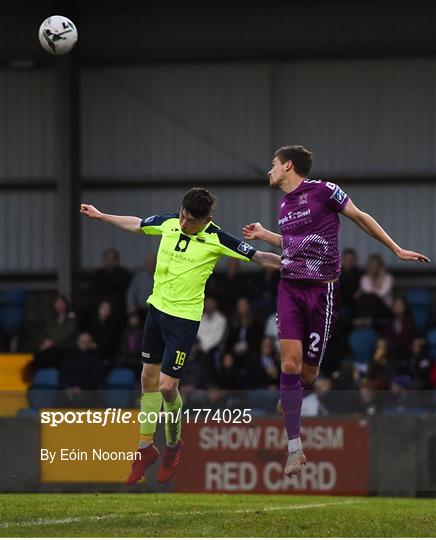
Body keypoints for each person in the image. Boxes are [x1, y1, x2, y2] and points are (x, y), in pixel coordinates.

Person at [243, 145, 430, 477]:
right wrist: (264, 235)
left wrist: (396, 248)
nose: (268, 170)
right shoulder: (284, 205)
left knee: (308, 375)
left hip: (322, 292)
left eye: (273, 165)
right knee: (289, 362)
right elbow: (293, 245)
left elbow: (359, 217)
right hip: (289, 288)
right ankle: (295, 447)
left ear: (288, 166)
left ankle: (292, 394)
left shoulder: (324, 191)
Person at [80, 187, 280, 485]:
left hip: (183, 322)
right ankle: (145, 448)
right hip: (156, 313)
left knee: (166, 387)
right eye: (183, 216)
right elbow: (137, 224)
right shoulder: (170, 222)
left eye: (190, 221)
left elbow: (261, 257)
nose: (184, 224)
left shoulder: (217, 239)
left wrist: (300, 265)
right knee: (147, 380)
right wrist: (101, 216)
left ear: (207, 219)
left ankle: (174, 446)